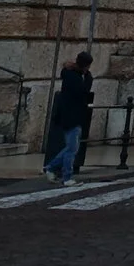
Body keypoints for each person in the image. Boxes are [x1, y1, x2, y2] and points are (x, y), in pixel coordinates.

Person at [45, 51, 94, 185]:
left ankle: (50, 168)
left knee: (72, 148)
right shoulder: (76, 78)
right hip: (72, 116)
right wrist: (88, 77)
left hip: (69, 115)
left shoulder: (70, 74)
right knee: (72, 148)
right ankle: (66, 177)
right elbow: (83, 92)